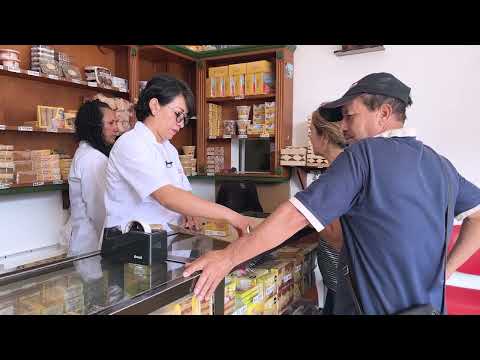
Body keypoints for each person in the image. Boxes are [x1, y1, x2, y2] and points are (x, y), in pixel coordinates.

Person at [184, 72, 480, 315]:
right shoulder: (440, 164)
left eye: (350, 116)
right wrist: (446, 270)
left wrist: (227, 258)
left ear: (384, 113)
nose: (344, 127)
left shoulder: (365, 155)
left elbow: (294, 216)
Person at [103, 74, 253, 246]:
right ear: (155, 106)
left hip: (164, 241)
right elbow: (167, 197)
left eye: (184, 118)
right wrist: (232, 216)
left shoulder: (168, 148)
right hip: (130, 244)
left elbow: (182, 192)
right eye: (178, 114)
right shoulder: (131, 144)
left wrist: (190, 212)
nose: (181, 124)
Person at [68, 100, 119, 256]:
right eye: (111, 123)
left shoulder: (86, 153)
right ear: (95, 127)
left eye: (116, 122)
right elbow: (100, 212)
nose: (116, 128)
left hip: (85, 246)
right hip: (91, 248)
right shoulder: (93, 159)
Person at [309, 108, 346, 314]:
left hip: (345, 286)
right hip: (337, 282)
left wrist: (306, 217)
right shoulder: (339, 170)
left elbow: (337, 237)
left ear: (324, 137)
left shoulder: (340, 176)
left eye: (311, 131)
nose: (309, 137)